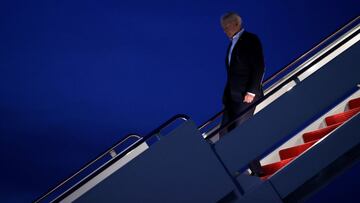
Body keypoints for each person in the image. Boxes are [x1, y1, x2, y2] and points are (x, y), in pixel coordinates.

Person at [219, 12, 265, 176]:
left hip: (247, 96)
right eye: (223, 28)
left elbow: (258, 66)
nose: (224, 30)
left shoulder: (250, 39)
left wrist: (252, 92)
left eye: (226, 27)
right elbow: (232, 74)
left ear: (236, 24)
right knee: (223, 133)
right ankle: (232, 170)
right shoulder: (232, 44)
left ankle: (257, 170)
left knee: (240, 132)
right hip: (232, 98)